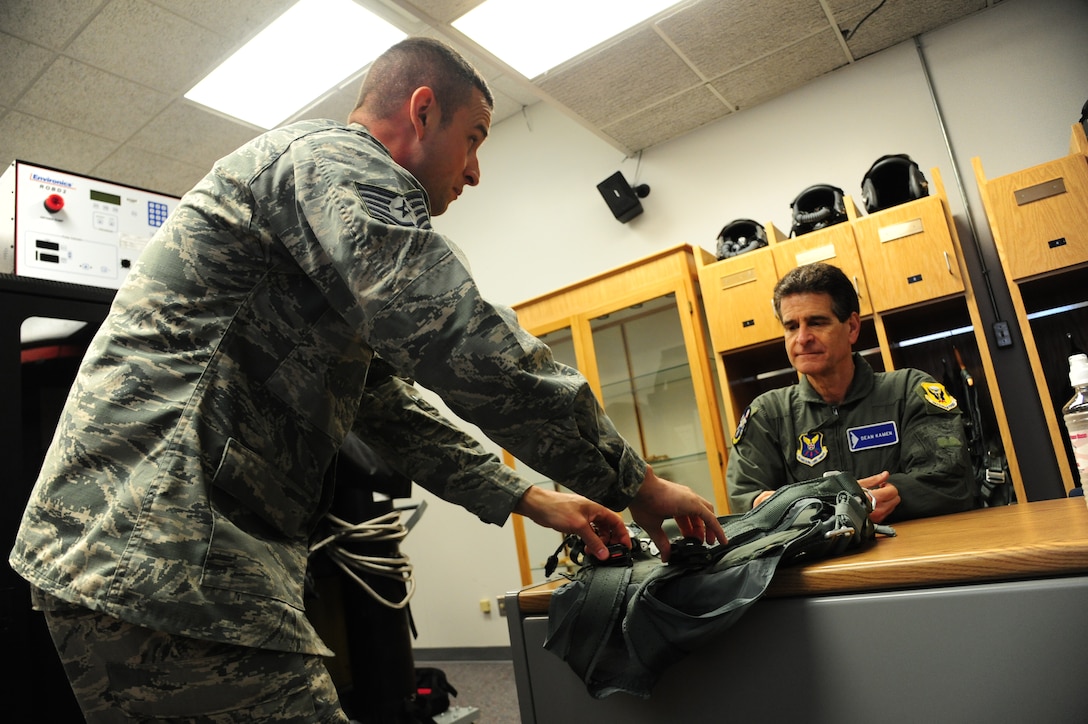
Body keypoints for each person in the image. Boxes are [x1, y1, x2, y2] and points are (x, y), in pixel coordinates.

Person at [9, 37, 725, 723]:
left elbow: (383, 404)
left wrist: (531, 497)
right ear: (421, 113)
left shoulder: (315, 214)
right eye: (474, 136)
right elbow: (456, 333)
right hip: (167, 544)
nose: (475, 171)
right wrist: (637, 482)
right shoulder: (335, 162)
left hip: (132, 549)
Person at [726, 262, 977, 524]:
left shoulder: (909, 391)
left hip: (911, 554)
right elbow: (747, 499)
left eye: (817, 322)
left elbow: (952, 480)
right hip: (818, 563)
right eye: (791, 327)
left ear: (852, 327)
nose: (802, 338)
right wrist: (840, 501)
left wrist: (897, 494)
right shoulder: (767, 414)